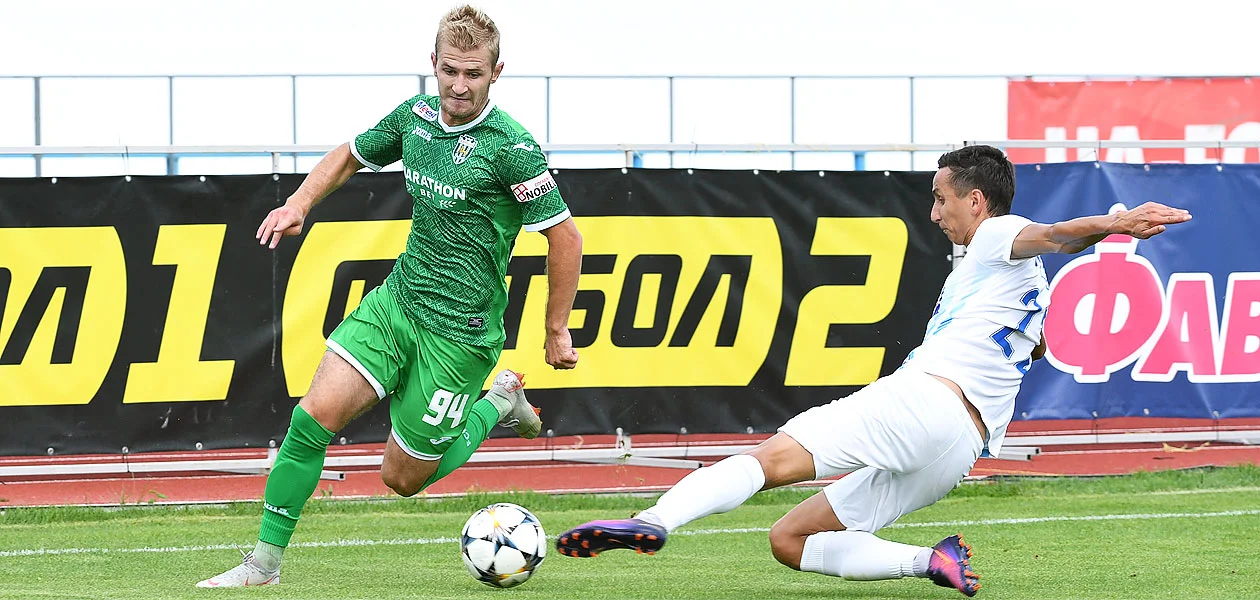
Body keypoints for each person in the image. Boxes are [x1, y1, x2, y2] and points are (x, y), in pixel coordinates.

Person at [555, 145, 1191, 596]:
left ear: (976, 201)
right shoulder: (1023, 284)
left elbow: (1055, 235)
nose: (935, 213)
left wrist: (1115, 224)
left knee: (770, 460)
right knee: (790, 540)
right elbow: (1038, 336)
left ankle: (653, 521)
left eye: (941, 199)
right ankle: (930, 561)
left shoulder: (997, 235)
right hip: (959, 451)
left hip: (925, 404)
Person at [197, 5, 583, 588]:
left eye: (473, 73)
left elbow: (565, 237)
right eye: (449, 70)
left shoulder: (512, 148)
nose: (459, 85)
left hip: (460, 337)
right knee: (310, 420)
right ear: (433, 63)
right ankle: (263, 565)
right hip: (397, 304)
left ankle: (497, 403)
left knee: (400, 479)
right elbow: (349, 155)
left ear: (496, 73)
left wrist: (556, 329)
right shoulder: (415, 118)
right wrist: (298, 203)